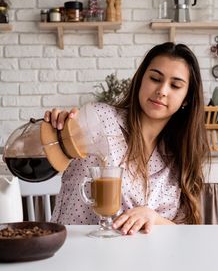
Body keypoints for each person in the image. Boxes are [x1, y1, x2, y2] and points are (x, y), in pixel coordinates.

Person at [44, 42, 209, 235]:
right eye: (155, 78)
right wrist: (55, 127)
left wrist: (153, 218)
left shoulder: (178, 155)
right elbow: (41, 155)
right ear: (140, 80)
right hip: (75, 253)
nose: (162, 91)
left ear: (186, 99)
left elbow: (185, 234)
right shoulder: (99, 119)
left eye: (175, 85)